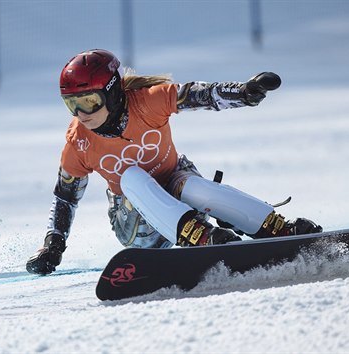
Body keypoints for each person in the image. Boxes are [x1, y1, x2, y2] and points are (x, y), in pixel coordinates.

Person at [26, 49, 322, 275]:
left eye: (88, 101)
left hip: (178, 193)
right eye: (71, 104)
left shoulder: (147, 101)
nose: (81, 113)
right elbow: (65, 197)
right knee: (131, 177)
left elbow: (200, 95)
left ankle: (275, 227)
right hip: (137, 227)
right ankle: (199, 238)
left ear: (112, 92)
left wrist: (243, 93)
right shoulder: (79, 140)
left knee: (192, 186)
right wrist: (53, 245)